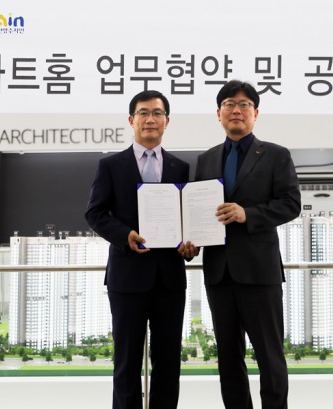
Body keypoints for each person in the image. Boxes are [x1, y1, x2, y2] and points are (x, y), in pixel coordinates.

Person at [85, 90, 198, 409]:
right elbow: (94, 213)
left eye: (157, 113)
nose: (150, 119)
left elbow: (186, 219)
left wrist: (191, 245)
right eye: (143, 113)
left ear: (167, 121)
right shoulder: (110, 165)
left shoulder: (180, 167)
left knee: (169, 364)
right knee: (126, 363)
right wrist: (125, 235)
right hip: (127, 278)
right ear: (131, 119)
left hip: (169, 280)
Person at [195, 80, 301, 409]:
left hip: (259, 272)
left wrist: (248, 214)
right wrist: (191, 240)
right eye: (229, 104)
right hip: (218, 272)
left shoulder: (276, 155)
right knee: (228, 358)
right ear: (218, 113)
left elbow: (291, 204)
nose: (236, 110)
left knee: (269, 355)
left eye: (244, 104)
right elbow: (198, 211)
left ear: (255, 113)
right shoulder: (206, 159)